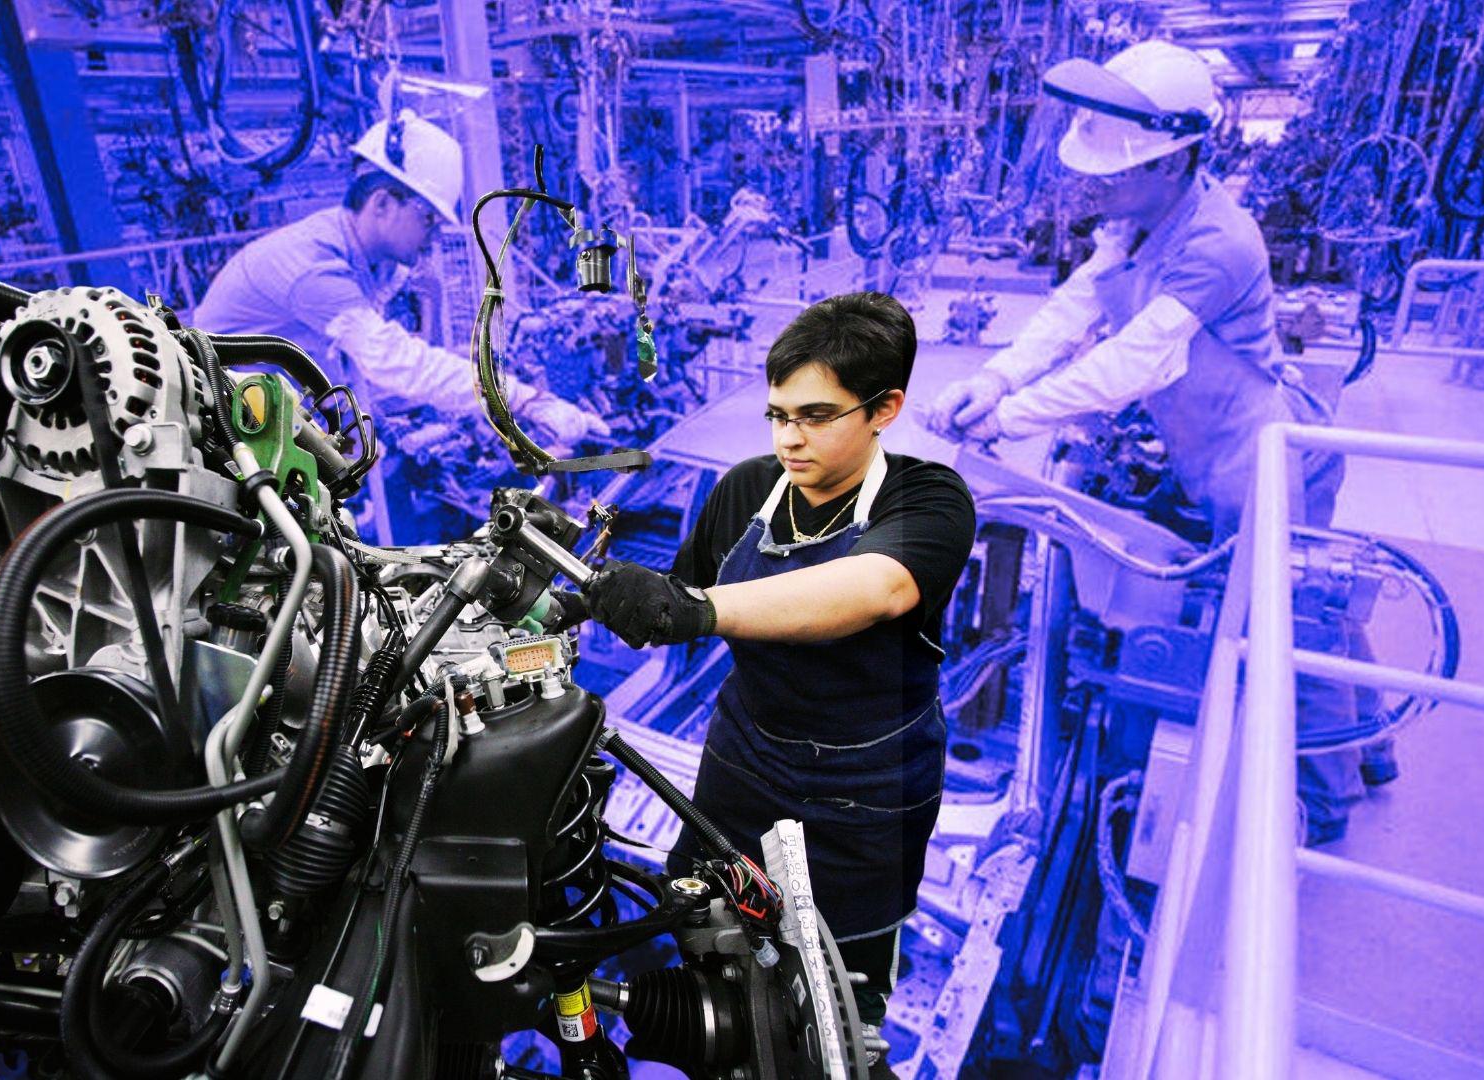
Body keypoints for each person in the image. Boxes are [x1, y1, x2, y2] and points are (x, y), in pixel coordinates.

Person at [925, 39, 1387, 843]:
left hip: (1264, 456)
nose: (1097, 184)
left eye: (1117, 171)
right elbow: (1075, 308)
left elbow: (1135, 361)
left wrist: (1010, 418)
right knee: (1313, 603)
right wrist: (995, 380)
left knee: (1289, 620)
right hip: (1211, 450)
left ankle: (1325, 802)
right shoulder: (1137, 222)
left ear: (1173, 161)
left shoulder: (1219, 241)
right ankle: (1373, 745)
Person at [580, 292, 976, 1073]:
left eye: (816, 417)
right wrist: (576, 600)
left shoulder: (929, 499)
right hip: (744, 760)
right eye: (778, 415)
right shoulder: (746, 490)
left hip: (862, 797)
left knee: (836, 1004)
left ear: (885, 409)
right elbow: (678, 589)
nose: (789, 438)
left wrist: (698, 610)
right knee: (703, 930)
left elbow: (874, 589)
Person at [194, 110, 605, 459]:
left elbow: (351, 353)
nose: (434, 237)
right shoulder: (314, 268)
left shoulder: (368, 259)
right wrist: (524, 399)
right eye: (428, 219)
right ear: (382, 204)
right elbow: (392, 360)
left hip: (271, 399)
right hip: (220, 417)